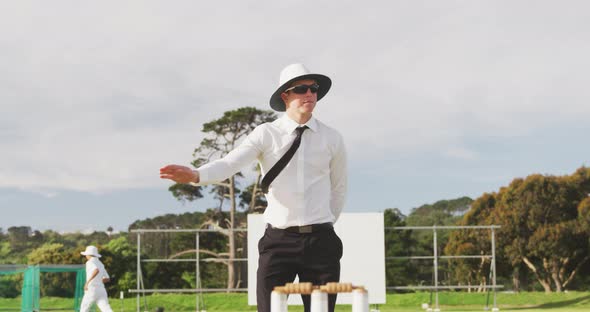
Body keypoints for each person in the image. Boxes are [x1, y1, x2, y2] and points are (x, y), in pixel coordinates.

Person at [160, 63, 347, 312]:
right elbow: (230, 163)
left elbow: (339, 189)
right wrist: (196, 175)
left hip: (322, 243)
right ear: (285, 96)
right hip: (279, 242)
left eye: (313, 89)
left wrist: (323, 223)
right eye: (301, 89)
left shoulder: (332, 138)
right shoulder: (266, 134)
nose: (310, 94)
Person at [80, 245, 113, 312]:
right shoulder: (101, 264)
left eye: (86, 254)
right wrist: (98, 281)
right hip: (101, 290)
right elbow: (107, 278)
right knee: (106, 309)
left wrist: (87, 283)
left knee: (84, 309)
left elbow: (96, 270)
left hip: (91, 289)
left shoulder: (89, 262)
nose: (86, 256)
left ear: (89, 254)